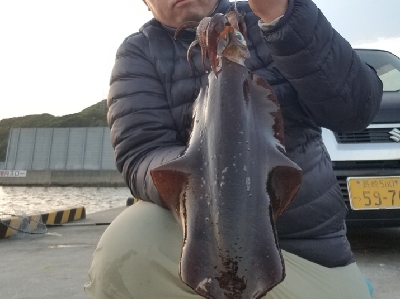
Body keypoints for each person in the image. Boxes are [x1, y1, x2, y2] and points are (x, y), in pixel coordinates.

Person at [84, 0, 382, 298]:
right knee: (128, 242)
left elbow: (355, 110)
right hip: (200, 240)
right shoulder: (139, 52)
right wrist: (215, 169)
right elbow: (140, 154)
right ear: (146, 4)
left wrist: (283, 15)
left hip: (309, 251)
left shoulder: (266, 18)